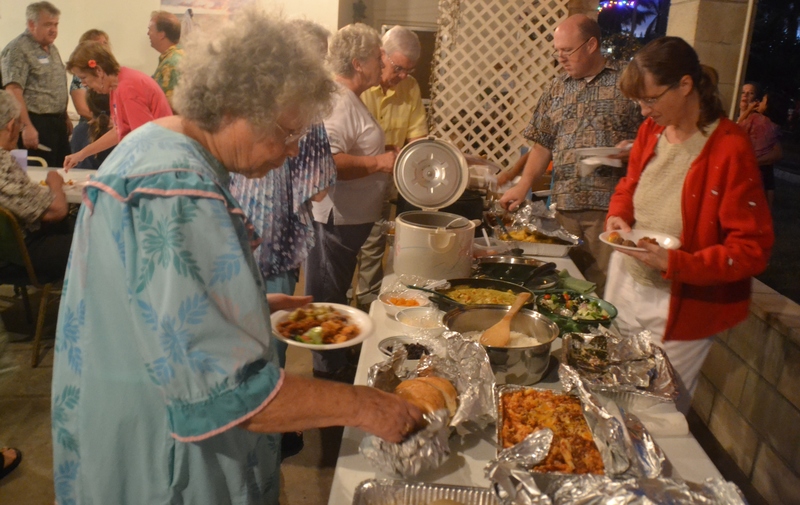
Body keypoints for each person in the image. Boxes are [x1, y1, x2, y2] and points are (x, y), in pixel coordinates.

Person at [50, 11, 421, 504]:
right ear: (235, 107)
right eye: (287, 133)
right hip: (164, 460)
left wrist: (242, 306)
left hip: (118, 420)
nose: (291, 152)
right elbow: (226, 395)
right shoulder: (180, 191)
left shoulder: (156, 144)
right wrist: (364, 405)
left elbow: (147, 306)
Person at [603, 36, 774, 412]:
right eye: (639, 101)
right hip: (626, 282)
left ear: (685, 85)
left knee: (656, 414)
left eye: (651, 99)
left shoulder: (729, 146)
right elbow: (629, 186)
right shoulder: (652, 132)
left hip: (681, 305)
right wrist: (619, 214)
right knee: (612, 396)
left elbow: (751, 251)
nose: (644, 111)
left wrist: (676, 263)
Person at [498, 14, 641, 295]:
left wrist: (634, 150)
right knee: (560, 285)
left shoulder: (628, 81)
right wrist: (523, 184)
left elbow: (656, 137)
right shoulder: (557, 88)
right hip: (563, 208)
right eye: (557, 51)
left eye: (567, 50)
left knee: (600, 290)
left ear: (591, 45)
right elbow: (542, 144)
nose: (560, 58)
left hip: (610, 212)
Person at [229, 19, 336, 370]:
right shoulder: (307, 114)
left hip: (238, 245)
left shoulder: (238, 109)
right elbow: (318, 191)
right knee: (268, 355)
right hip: (273, 246)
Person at [305, 23, 397, 382]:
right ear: (358, 63)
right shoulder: (338, 101)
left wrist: (384, 155)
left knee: (335, 294)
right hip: (335, 221)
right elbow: (329, 161)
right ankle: (327, 374)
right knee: (326, 298)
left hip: (348, 222)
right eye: (378, 57)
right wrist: (378, 163)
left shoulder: (350, 99)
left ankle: (336, 360)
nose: (382, 62)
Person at [355, 25, 429, 309]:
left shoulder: (410, 88)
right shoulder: (358, 85)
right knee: (345, 254)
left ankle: (367, 309)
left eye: (408, 71)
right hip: (349, 180)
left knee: (374, 248)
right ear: (380, 55)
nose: (402, 77)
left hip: (382, 183)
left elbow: (417, 138)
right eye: (398, 68)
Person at [62, 41, 172, 169]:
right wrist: (81, 154)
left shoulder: (128, 88)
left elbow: (144, 139)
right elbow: (119, 130)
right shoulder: (119, 85)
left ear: (98, 71)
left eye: (84, 77)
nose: (84, 84)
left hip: (159, 161)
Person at [0, 89, 72, 281]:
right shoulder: (4, 164)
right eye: (20, 125)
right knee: (96, 242)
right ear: (10, 126)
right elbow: (57, 210)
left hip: (9, 252)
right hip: (18, 256)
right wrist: (54, 182)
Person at [0, 1, 71, 168]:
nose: (54, 30)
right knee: (40, 175)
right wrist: (26, 126)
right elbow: (13, 90)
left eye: (56, 24)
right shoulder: (18, 49)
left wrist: (64, 115)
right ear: (32, 24)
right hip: (35, 123)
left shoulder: (51, 48)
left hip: (57, 123)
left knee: (61, 173)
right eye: (48, 24)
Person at [737, 83, 783, 209]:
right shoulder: (775, 126)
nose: (745, 95)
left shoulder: (755, 119)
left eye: (750, 93)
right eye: (742, 92)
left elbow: (737, 128)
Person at [148, 10, 184, 109]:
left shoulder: (171, 63)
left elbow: (171, 107)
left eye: (150, 29)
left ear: (161, 35)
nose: (148, 33)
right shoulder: (174, 57)